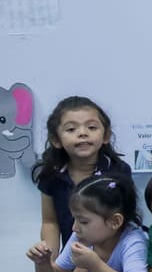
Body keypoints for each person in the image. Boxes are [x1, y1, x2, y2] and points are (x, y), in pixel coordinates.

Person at [31, 96, 132, 252]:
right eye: (71, 129)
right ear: (56, 140)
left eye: (92, 127)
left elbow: (123, 223)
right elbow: (50, 222)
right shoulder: (51, 174)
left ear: (106, 136)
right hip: (73, 257)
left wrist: (93, 259)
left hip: (114, 259)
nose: (83, 133)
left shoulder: (118, 171)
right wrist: (50, 263)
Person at [27, 173, 148, 272]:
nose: (74, 228)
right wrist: (43, 264)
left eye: (83, 221)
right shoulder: (81, 237)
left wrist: (95, 265)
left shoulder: (133, 241)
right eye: (74, 219)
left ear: (115, 221)